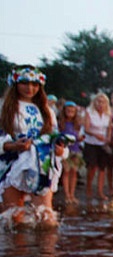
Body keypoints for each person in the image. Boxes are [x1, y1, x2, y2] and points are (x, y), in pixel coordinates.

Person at [0, 65, 68, 225]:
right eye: (25, 83)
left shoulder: (47, 110)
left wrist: (60, 150)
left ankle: (46, 250)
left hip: (42, 163)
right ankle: (17, 249)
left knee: (46, 217)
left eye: (34, 84)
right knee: (13, 217)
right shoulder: (4, 108)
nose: (30, 88)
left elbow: (54, 136)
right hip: (12, 162)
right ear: (15, 84)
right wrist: (12, 146)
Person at [82, 92, 112, 200]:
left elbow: (109, 128)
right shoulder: (89, 112)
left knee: (102, 168)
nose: (100, 104)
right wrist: (95, 135)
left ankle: (100, 191)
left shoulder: (108, 114)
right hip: (91, 142)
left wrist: (108, 138)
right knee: (92, 167)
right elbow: (86, 128)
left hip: (102, 143)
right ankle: (89, 188)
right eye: (98, 101)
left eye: (103, 102)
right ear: (94, 102)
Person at [58, 101, 85, 204]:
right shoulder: (61, 123)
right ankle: (67, 194)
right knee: (66, 171)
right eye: (68, 110)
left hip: (75, 149)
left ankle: (72, 194)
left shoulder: (77, 124)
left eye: (72, 111)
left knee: (74, 172)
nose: (70, 112)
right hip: (65, 149)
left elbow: (79, 136)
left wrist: (80, 139)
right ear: (64, 111)